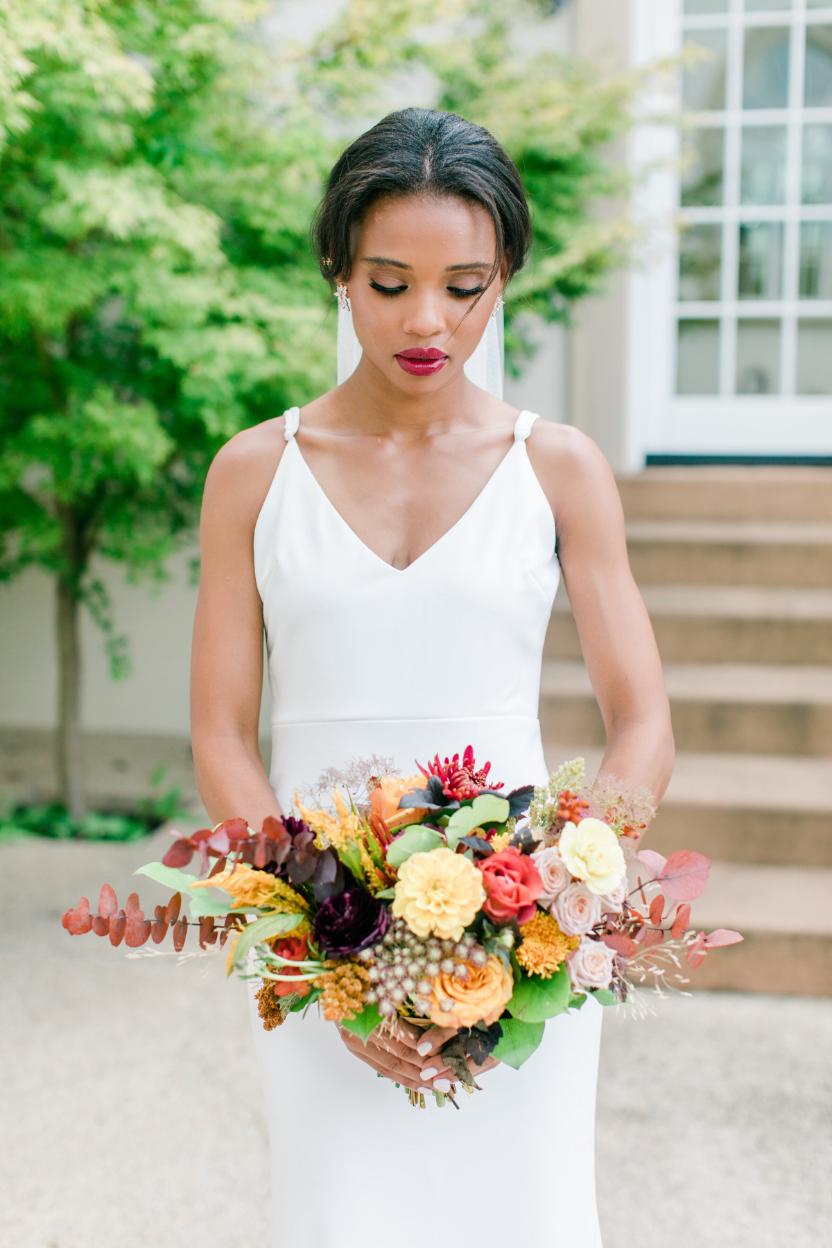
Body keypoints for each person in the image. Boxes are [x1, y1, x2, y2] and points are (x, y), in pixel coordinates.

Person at [190, 106, 674, 1248]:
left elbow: (641, 717)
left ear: (503, 274)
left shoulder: (555, 467)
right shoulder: (255, 472)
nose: (427, 320)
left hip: (520, 940)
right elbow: (220, 733)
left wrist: (557, 901)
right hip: (321, 929)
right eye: (388, 281)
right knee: (337, 1215)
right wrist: (326, 955)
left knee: (525, 1216)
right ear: (337, 274)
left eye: (465, 285)